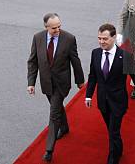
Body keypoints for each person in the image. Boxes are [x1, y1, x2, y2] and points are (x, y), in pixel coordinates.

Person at [85, 23, 135, 164]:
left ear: (113, 38)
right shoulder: (95, 53)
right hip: (102, 101)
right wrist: (88, 95)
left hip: (118, 102)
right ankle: (118, 149)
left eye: (105, 39)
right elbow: (93, 76)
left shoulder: (125, 56)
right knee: (112, 130)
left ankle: (113, 157)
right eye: (99, 38)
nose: (101, 42)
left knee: (113, 131)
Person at [27, 13, 85, 162]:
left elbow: (75, 61)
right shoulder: (38, 38)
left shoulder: (69, 39)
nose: (58, 29)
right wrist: (31, 83)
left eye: (59, 26)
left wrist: (80, 81)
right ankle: (64, 127)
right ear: (46, 27)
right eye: (54, 28)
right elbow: (33, 62)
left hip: (61, 84)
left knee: (53, 114)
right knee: (57, 107)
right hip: (46, 83)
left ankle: (49, 150)